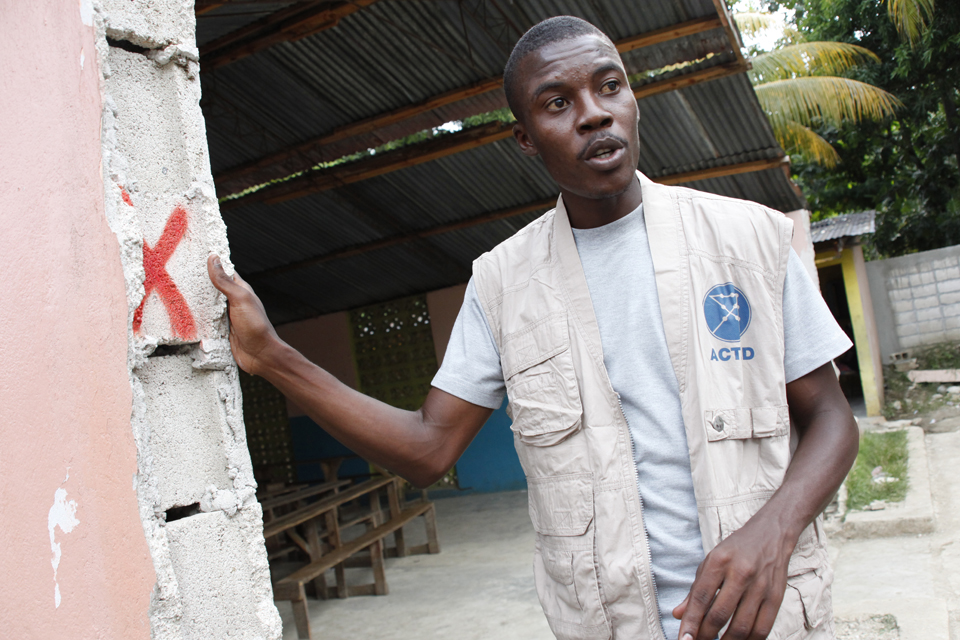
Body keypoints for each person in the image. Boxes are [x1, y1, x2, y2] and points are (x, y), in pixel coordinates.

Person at [208, 15, 859, 640]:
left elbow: (832, 418)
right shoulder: (503, 285)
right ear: (525, 138)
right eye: (557, 103)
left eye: (609, 86)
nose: (594, 113)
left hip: (765, 622)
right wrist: (272, 356)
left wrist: (773, 531)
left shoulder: (747, 238)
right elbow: (428, 450)